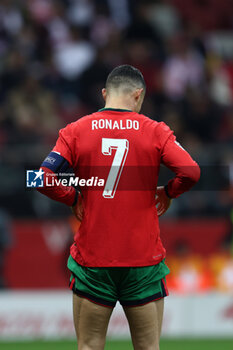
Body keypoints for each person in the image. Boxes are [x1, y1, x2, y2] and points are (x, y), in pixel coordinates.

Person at [38, 65, 200, 350]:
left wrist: (73, 197)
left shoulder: (75, 130)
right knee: (148, 347)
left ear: (104, 93)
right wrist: (168, 192)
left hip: (94, 259)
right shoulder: (155, 130)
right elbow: (191, 172)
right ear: (138, 95)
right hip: (143, 261)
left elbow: (42, 178)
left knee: (89, 345)